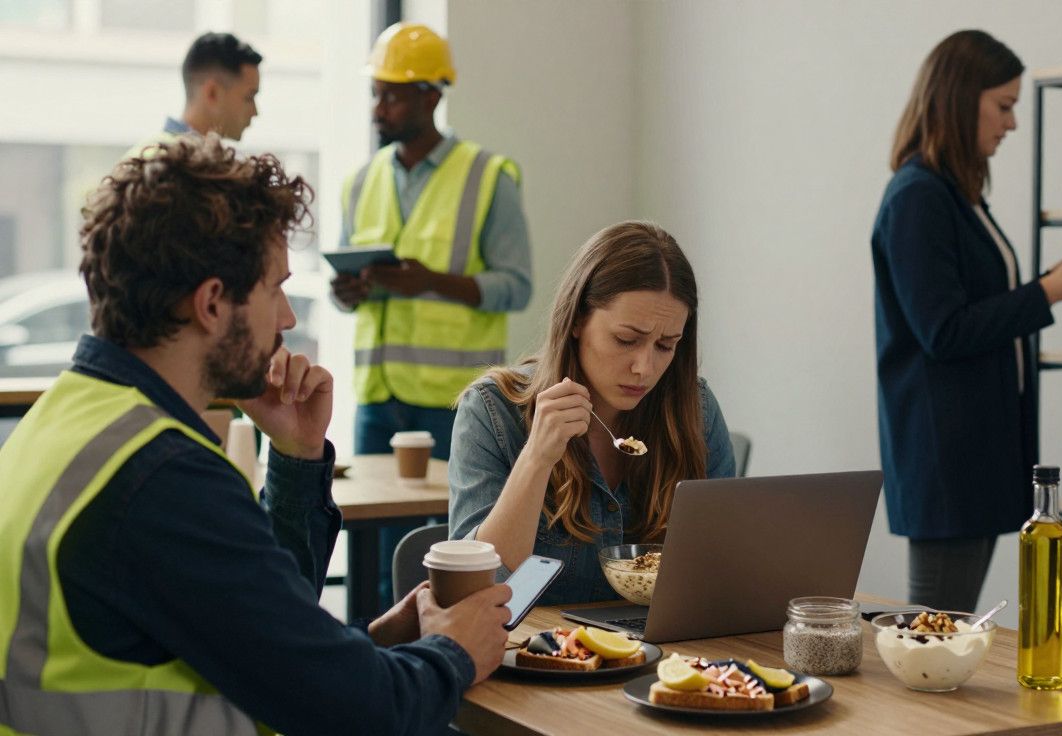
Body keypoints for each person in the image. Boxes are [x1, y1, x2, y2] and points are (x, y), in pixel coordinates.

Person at [0, 135, 510, 735]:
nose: (288, 318)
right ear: (213, 303)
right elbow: (360, 715)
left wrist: (294, 457)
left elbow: (257, 643)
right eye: (274, 288)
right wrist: (455, 653)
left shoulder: (65, 418)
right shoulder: (162, 477)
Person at [870, 30, 1062, 613]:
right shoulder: (918, 197)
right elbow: (944, 330)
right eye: (1004, 106)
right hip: (947, 460)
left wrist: (1050, 285)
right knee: (935, 632)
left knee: (946, 632)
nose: (1011, 124)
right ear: (961, 100)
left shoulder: (956, 196)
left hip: (975, 455)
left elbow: (968, 310)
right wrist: (1046, 292)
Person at [330, 22, 532, 609]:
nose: (379, 106)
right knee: (372, 562)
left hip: (457, 404)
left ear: (431, 96)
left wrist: (430, 282)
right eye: (377, 91)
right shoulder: (361, 182)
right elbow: (347, 294)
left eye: (392, 93)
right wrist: (350, 291)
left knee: (449, 559)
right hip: (379, 399)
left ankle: (440, 674)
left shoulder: (488, 176)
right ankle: (369, 675)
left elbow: (516, 286)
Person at [447, 221, 735, 605]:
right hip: (539, 653)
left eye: (666, 346)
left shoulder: (695, 408)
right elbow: (477, 587)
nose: (644, 368)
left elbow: (724, 565)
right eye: (626, 340)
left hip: (664, 657)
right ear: (578, 320)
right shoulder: (492, 409)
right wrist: (537, 458)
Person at [126, 32, 262, 158]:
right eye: (249, 97)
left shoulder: (153, 155)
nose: (255, 112)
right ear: (212, 93)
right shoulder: (163, 164)